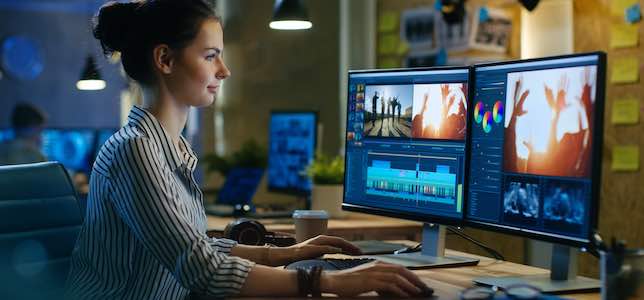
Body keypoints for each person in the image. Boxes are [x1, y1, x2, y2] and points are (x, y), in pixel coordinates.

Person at [65, 1, 430, 299]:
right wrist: (329, 281)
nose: (224, 71)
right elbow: (202, 269)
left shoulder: (166, 148)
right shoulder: (135, 151)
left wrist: (287, 254)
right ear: (165, 60)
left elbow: (198, 249)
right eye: (210, 56)